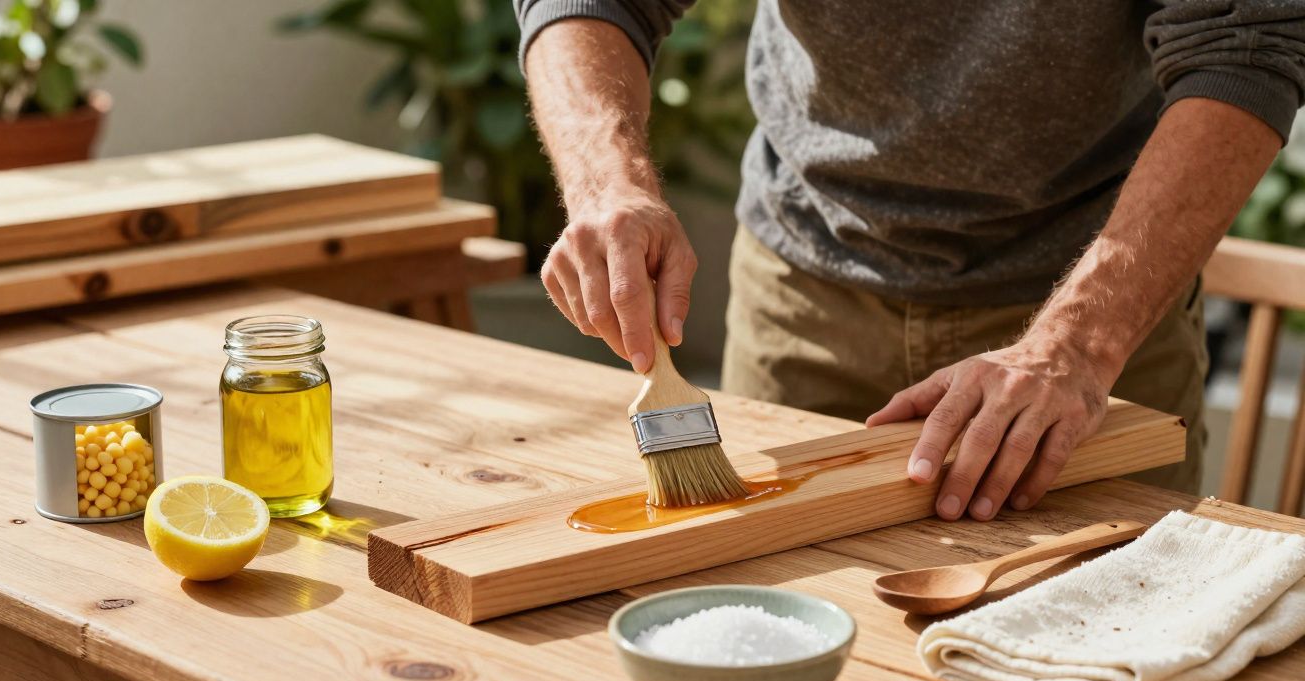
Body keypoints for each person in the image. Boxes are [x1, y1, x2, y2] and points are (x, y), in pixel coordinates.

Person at [514, 0, 1305, 521]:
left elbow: (1245, 43)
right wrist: (604, 183)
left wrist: (1077, 346)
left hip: (1095, 320)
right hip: (801, 297)